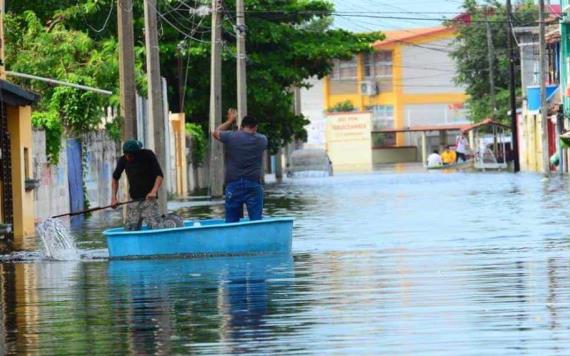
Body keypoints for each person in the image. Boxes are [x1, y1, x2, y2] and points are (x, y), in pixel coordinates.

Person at [213, 108, 268, 223]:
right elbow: (252, 135)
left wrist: (230, 120)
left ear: (242, 126)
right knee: (256, 221)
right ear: (255, 127)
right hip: (253, 185)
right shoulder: (262, 140)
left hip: (233, 185)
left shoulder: (231, 137)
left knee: (232, 222)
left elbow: (215, 132)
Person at [111, 139, 164, 231]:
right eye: (126, 155)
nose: (128, 158)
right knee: (130, 229)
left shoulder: (148, 155)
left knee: (155, 227)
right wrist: (114, 198)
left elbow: (159, 175)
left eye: (131, 156)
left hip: (149, 200)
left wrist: (153, 191)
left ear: (138, 153)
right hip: (134, 200)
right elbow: (115, 178)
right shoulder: (123, 160)